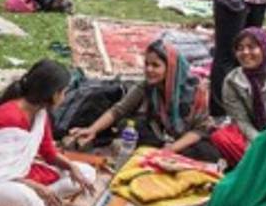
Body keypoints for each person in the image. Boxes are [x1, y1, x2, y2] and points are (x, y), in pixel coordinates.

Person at [0, 60, 96, 206]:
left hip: (19, 172)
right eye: (63, 92)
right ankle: (48, 203)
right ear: (54, 95)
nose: (64, 97)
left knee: (86, 173)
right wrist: (34, 186)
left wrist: (71, 167)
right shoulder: (7, 118)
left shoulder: (40, 113)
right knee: (27, 202)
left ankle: (48, 198)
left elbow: (49, 153)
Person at [67, 39, 219, 162]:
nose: (149, 70)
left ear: (170, 67)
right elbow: (119, 110)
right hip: (161, 136)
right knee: (127, 126)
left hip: (185, 140)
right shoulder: (146, 86)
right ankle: (162, 156)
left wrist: (171, 149)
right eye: (146, 64)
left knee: (208, 153)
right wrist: (92, 130)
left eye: (155, 65)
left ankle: (164, 155)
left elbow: (200, 129)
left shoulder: (196, 91)